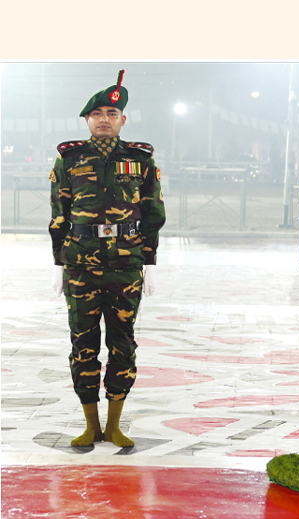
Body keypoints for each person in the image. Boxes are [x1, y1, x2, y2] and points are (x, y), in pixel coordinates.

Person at [48, 69, 166, 448]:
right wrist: (58, 263)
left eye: (111, 114)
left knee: (122, 343)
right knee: (83, 343)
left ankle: (114, 423)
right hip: (81, 263)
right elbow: (58, 214)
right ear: (87, 120)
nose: (104, 119)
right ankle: (90, 423)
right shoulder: (70, 159)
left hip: (126, 266)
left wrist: (148, 264)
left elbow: (153, 213)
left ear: (122, 120)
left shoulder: (140, 159)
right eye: (97, 113)